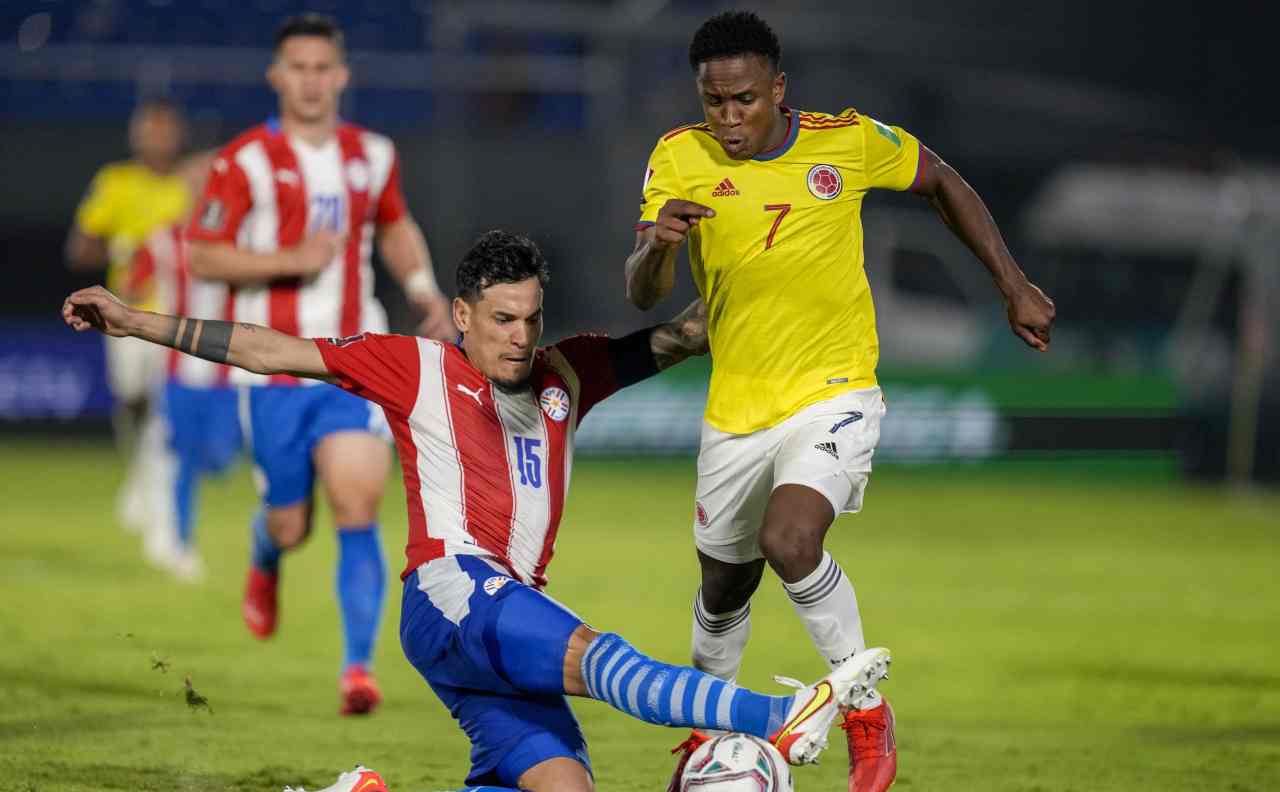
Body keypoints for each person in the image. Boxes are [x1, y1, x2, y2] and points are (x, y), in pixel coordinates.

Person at [62, 229, 895, 792]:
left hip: (500, 625)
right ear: (463, 316)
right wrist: (135, 321)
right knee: (598, 656)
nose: (519, 337)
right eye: (501, 320)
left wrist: (765, 271)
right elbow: (265, 347)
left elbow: (687, 333)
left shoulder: (569, 373)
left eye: (531, 319)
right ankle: (779, 718)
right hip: (452, 594)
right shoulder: (413, 368)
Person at [623, 11, 1057, 792]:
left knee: (792, 541)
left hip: (835, 388)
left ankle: (864, 708)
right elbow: (642, 291)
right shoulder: (677, 158)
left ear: (779, 89)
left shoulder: (846, 141)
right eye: (714, 101)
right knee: (723, 590)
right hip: (736, 409)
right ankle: (708, 736)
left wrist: (1013, 284)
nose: (729, 119)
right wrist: (658, 245)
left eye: (745, 100)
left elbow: (943, 182)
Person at [184, 14, 454, 715]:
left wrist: (423, 290)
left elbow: (393, 223)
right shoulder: (241, 161)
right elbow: (205, 253)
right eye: (296, 68)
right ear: (277, 76)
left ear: (341, 75)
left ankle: (357, 670)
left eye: (321, 68)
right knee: (289, 525)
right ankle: (266, 555)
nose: (310, 80)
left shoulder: (373, 154)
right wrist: (288, 260)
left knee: (357, 502)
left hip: (355, 362)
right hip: (272, 368)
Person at [67, 98, 201, 541]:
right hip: (125, 314)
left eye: (166, 129)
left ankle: (155, 501)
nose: (158, 138)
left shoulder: (191, 186)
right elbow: (80, 249)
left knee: (167, 411)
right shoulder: (116, 182)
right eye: (150, 129)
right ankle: (139, 478)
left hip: (180, 316)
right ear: (136, 134)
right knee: (132, 401)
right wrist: (126, 250)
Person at [126, 221, 242, 581]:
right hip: (178, 369)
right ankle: (180, 543)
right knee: (183, 459)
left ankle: (149, 487)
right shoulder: (163, 241)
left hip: (227, 370)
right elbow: (133, 284)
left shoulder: (243, 241)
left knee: (222, 459)